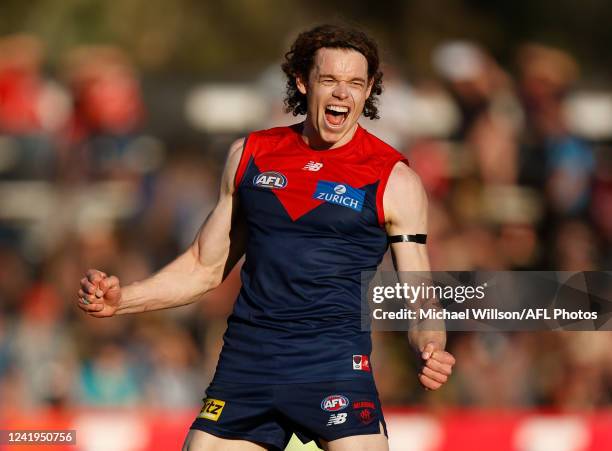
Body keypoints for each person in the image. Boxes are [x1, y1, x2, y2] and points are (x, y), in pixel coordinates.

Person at [77, 24, 456, 451]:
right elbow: (204, 267)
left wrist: (430, 344)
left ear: (369, 90)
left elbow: (419, 292)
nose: (341, 94)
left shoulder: (394, 178)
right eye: (329, 80)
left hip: (333, 365)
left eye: (354, 83)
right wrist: (122, 299)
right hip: (250, 361)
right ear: (302, 81)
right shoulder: (250, 155)